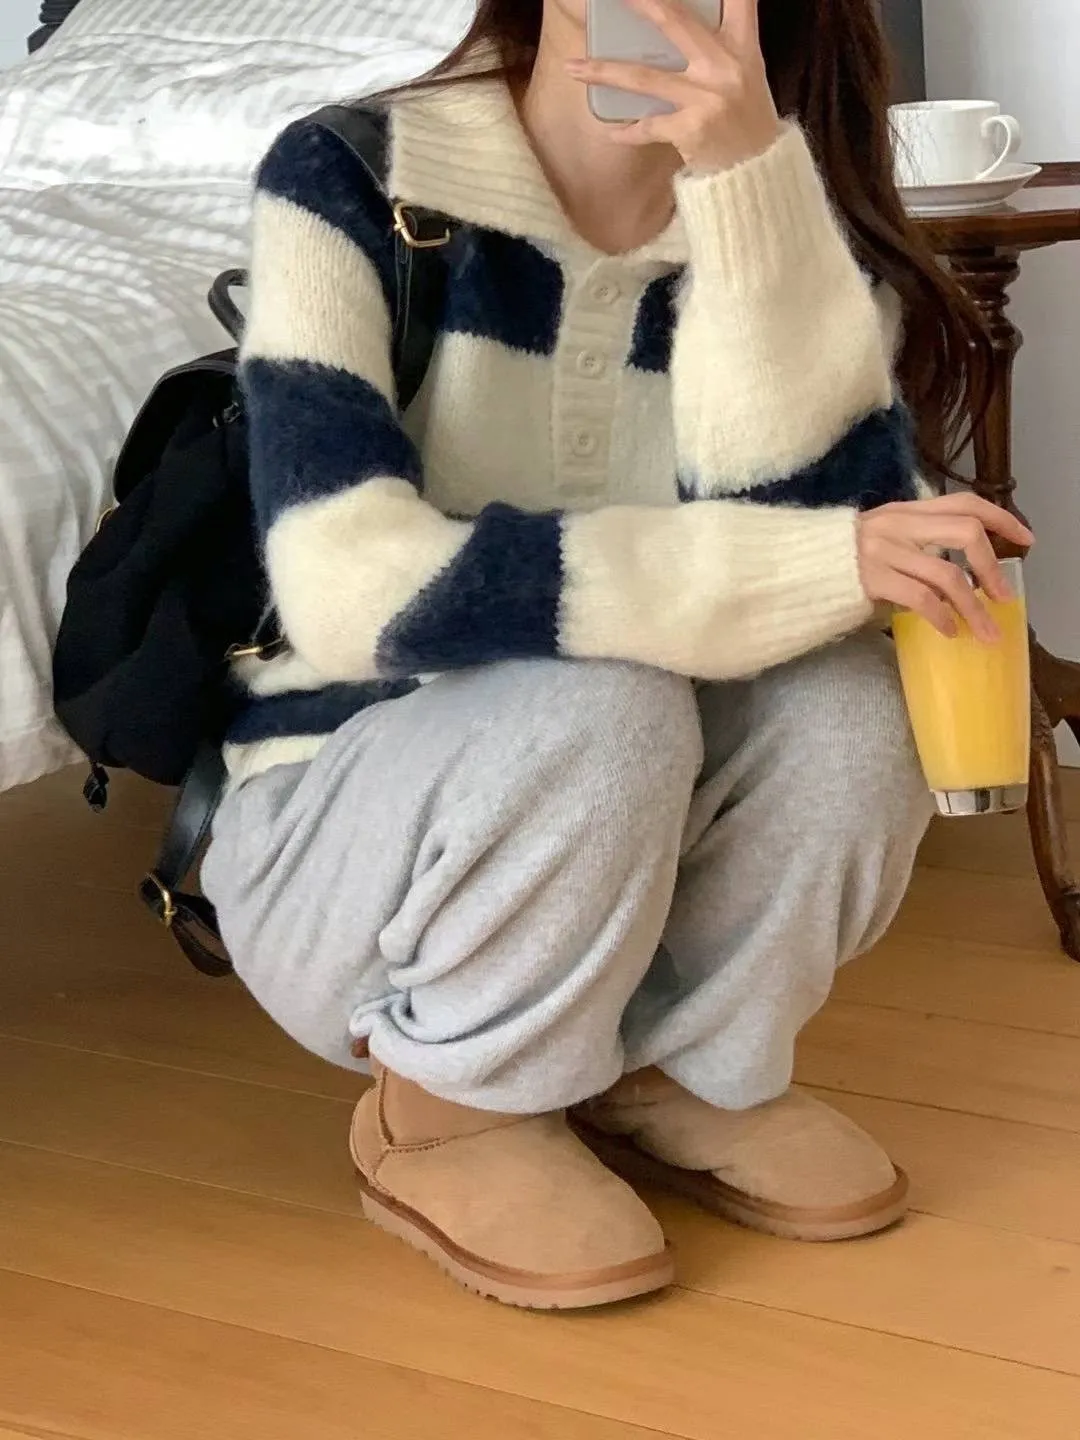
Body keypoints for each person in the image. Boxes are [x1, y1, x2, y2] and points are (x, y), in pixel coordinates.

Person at [201, 0, 1032, 1310]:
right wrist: (785, 568)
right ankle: (451, 1108)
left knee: (849, 706)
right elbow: (347, 590)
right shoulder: (351, 176)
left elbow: (825, 576)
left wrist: (748, 192)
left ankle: (682, 1070)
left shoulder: (793, 223)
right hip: (341, 826)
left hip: (624, 795)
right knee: (607, 696)